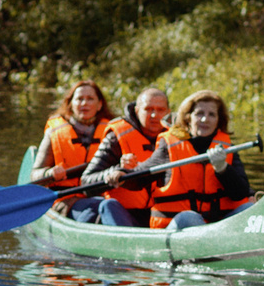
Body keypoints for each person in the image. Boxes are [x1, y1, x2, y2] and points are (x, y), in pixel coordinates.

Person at [146, 89, 254, 229]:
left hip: (218, 226)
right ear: (188, 117)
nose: (205, 119)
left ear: (218, 120)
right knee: (190, 217)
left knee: (250, 210)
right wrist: (121, 172)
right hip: (179, 227)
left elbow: (240, 193)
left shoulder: (227, 148)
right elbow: (142, 175)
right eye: (199, 114)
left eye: (212, 115)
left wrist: (223, 169)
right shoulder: (169, 146)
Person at [78, 86, 168, 226]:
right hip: (124, 214)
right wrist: (116, 170)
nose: (154, 115)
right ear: (137, 111)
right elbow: (86, 183)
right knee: (108, 206)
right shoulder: (116, 137)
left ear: (168, 112)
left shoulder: (174, 138)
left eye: (160, 110)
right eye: (148, 109)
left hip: (162, 216)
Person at [33, 78, 115, 221]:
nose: (84, 103)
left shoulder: (112, 132)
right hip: (66, 200)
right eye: (79, 99)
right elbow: (35, 175)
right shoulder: (55, 132)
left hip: (103, 197)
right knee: (95, 212)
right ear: (71, 104)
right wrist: (50, 172)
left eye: (90, 99)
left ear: (100, 104)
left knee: (109, 207)